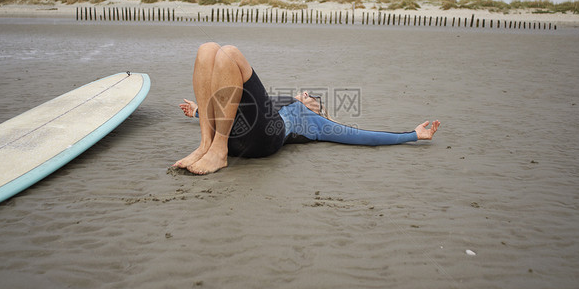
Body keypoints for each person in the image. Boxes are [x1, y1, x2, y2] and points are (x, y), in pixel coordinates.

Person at [173, 42, 440, 174]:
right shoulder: (276, 101)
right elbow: (235, 106)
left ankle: (218, 150)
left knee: (229, 52)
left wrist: (413, 135)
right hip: (236, 131)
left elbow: (363, 137)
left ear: (317, 108)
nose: (304, 93)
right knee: (207, 49)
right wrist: (198, 110)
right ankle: (205, 144)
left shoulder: (313, 121)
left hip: (265, 139)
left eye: (311, 96)